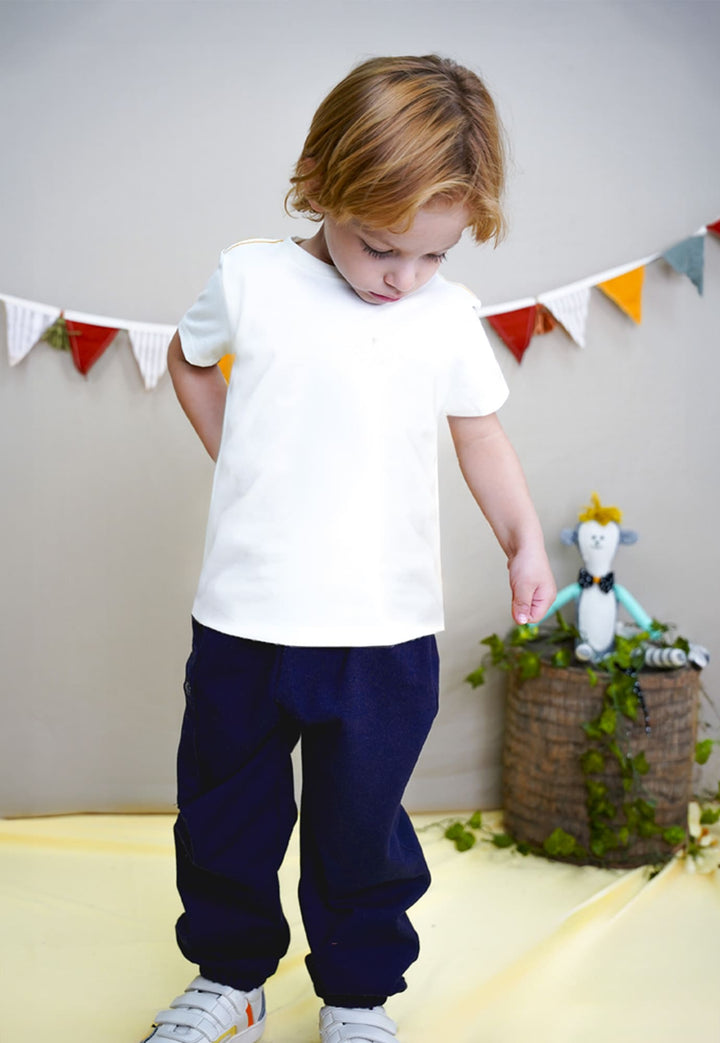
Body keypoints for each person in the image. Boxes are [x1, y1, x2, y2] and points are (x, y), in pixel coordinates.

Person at [141, 54, 556, 1043]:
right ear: (322, 183)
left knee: (359, 822)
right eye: (380, 248)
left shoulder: (446, 317)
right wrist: (237, 456)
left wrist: (524, 538)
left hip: (383, 626)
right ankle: (231, 975)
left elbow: (481, 434)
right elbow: (188, 361)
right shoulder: (252, 276)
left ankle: (359, 994)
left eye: (433, 256)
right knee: (225, 809)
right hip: (246, 616)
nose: (402, 278)